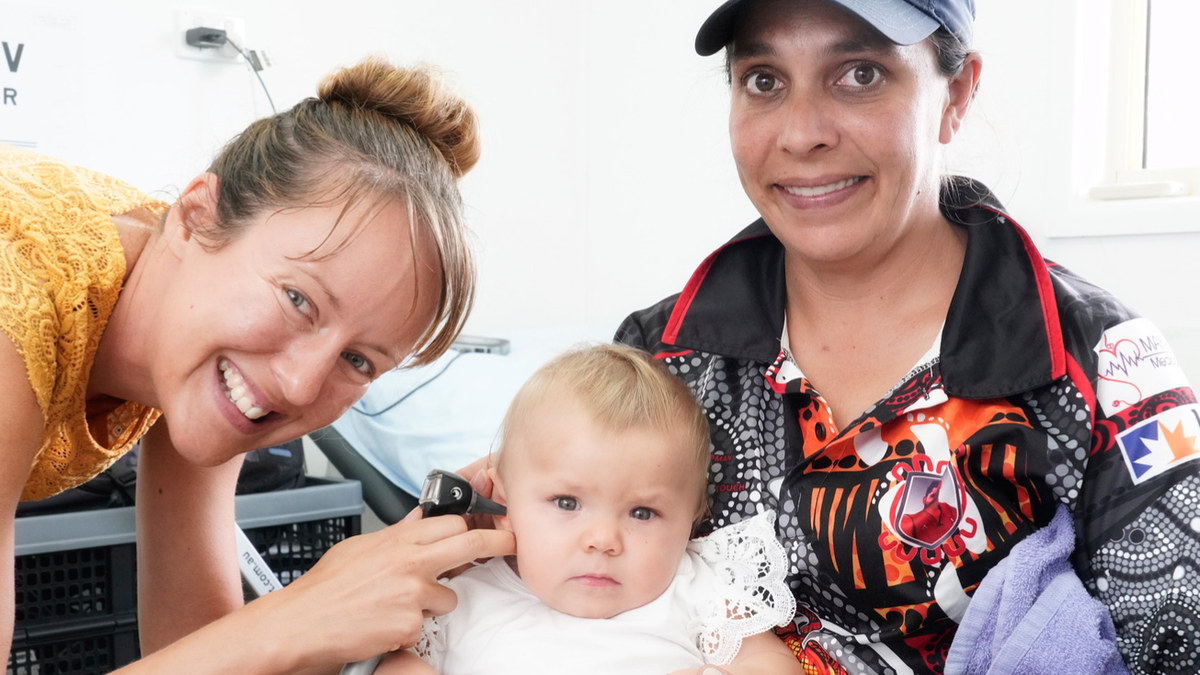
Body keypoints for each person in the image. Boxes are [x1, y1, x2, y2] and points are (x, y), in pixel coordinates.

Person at [616, 1, 1200, 674]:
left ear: (956, 93)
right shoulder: (660, 357)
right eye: (764, 80)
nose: (802, 133)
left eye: (860, 73)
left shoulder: (1101, 365)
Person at [0, 56, 513, 673]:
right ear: (196, 216)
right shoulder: (18, 301)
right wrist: (299, 614)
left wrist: (376, 588)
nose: (299, 384)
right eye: (298, 300)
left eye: (357, 359)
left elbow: (195, 647)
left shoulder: (190, 328)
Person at [376, 344, 802, 675]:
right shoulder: (460, 598)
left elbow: (771, 662)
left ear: (693, 516)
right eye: (567, 503)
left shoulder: (697, 589)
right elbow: (397, 660)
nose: (602, 540)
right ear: (504, 502)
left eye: (642, 513)